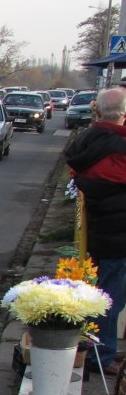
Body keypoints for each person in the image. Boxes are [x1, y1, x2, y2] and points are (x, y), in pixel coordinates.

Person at [65, 86, 126, 376]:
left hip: (96, 229)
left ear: (98, 111)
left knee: (100, 292)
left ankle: (93, 346)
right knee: (111, 297)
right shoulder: (119, 148)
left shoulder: (87, 144)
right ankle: (102, 355)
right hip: (119, 233)